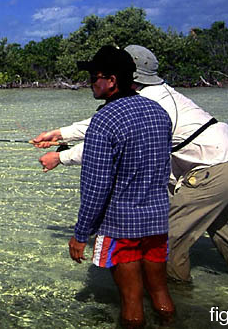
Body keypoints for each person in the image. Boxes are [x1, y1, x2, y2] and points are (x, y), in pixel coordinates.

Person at [34, 45, 228, 283]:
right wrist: (59, 134)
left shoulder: (147, 102)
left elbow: (107, 143)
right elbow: (99, 126)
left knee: (166, 241)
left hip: (213, 171)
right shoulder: (158, 95)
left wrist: (60, 157)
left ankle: (180, 306)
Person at [68, 45, 174, 328]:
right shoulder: (158, 112)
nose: (90, 82)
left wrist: (80, 234)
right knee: (160, 292)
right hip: (158, 221)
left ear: (111, 80)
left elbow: (96, 186)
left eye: (94, 76)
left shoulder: (103, 121)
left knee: (131, 302)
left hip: (121, 226)